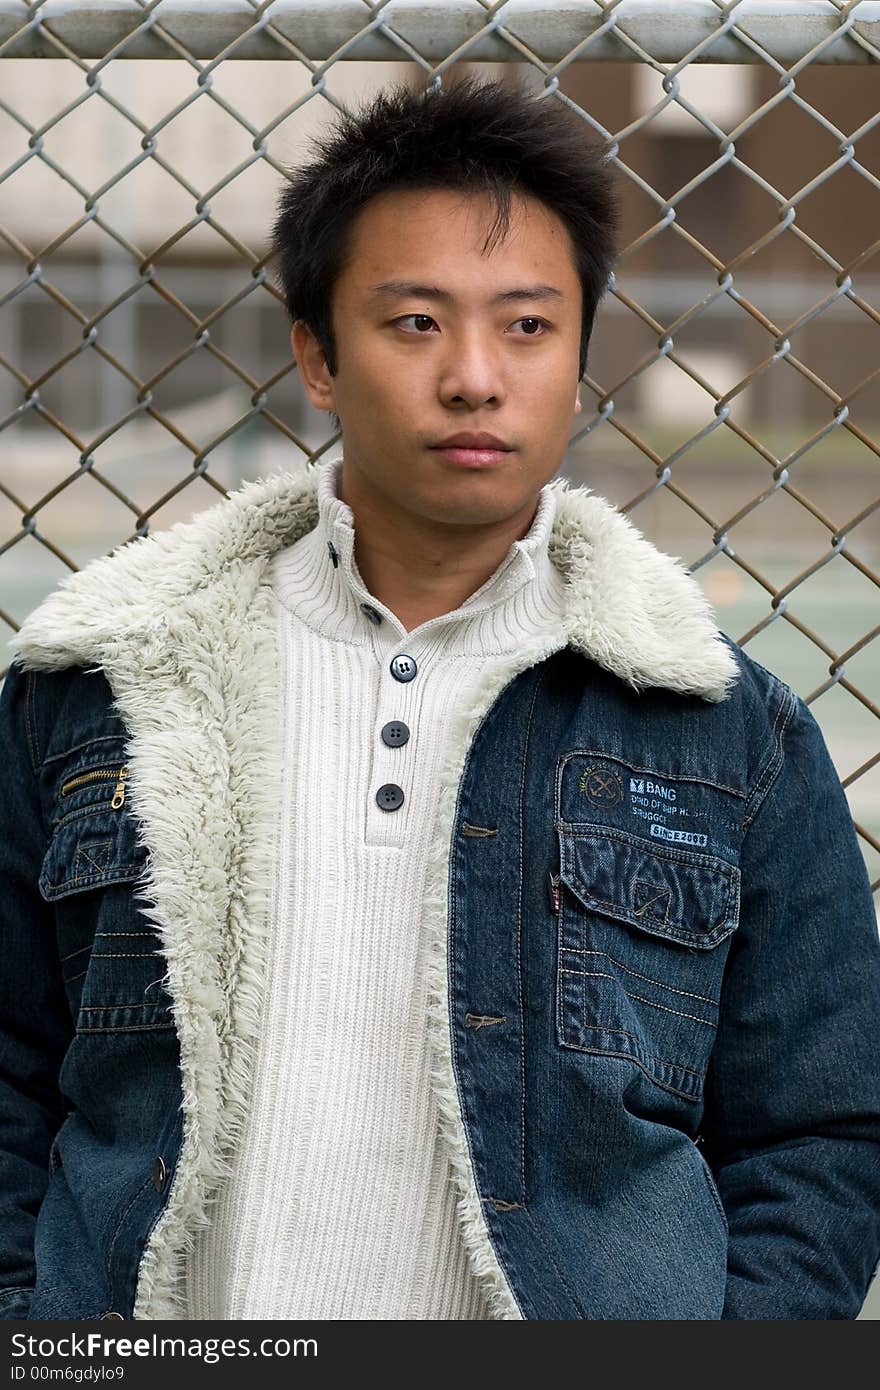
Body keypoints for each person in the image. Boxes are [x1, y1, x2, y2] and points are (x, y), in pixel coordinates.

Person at [1, 74, 879, 1324]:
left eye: (527, 326)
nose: (474, 377)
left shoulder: (726, 730)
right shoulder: (106, 687)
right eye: (414, 323)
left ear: (581, 360)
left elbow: (820, 1130)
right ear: (315, 352)